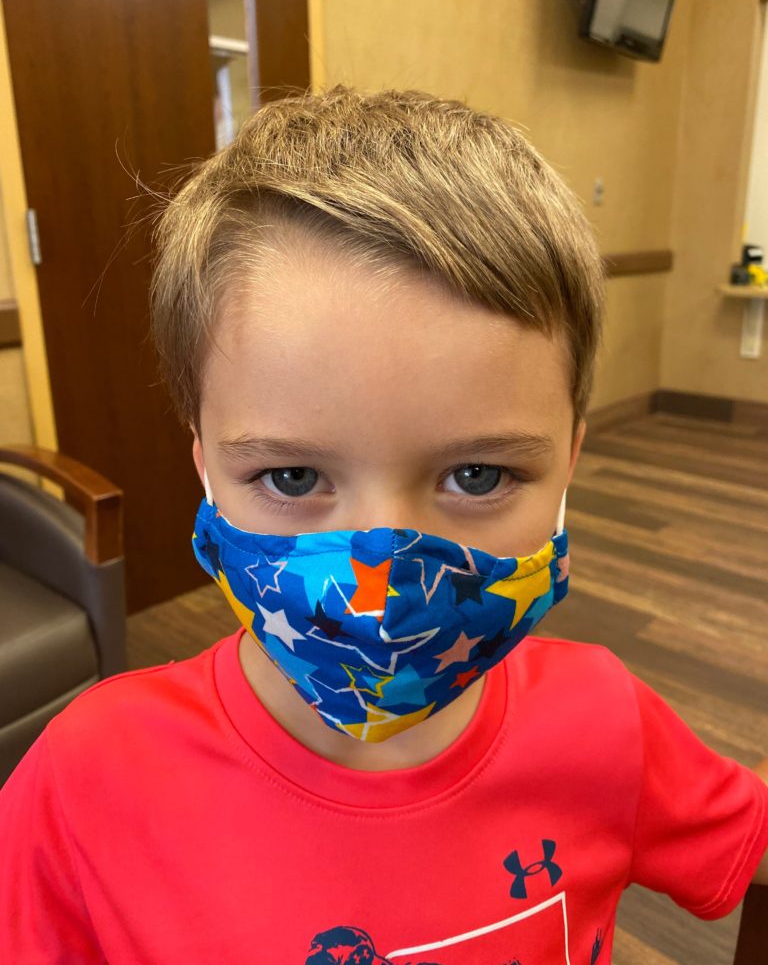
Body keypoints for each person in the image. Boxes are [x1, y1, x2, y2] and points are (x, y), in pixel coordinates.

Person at [1, 87, 766, 963]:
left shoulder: (609, 726)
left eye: (476, 475)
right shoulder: (88, 782)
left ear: (569, 466)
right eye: (292, 475)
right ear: (207, 469)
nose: (382, 583)